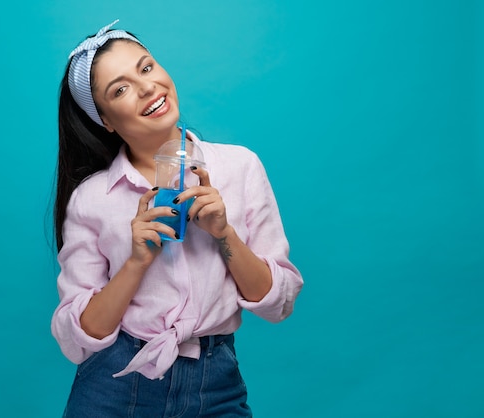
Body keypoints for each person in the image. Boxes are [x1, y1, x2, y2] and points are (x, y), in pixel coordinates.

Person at [51, 19, 303, 417]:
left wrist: (224, 235)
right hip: (114, 385)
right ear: (106, 121)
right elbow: (78, 340)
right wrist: (136, 262)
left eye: (147, 68)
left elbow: (279, 303)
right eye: (120, 89)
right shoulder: (91, 199)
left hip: (215, 385)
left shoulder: (240, 167)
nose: (147, 87)